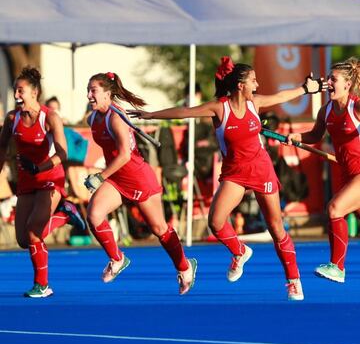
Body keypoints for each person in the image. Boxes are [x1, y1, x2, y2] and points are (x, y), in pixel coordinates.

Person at [128, 56, 327, 301]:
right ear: (240, 85)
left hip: (261, 169)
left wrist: (307, 89)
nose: (257, 84)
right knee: (216, 221)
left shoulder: (257, 103)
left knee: (276, 228)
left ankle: (294, 281)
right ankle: (239, 251)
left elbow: (282, 96)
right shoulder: (219, 107)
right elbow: (185, 112)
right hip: (235, 173)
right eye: (253, 80)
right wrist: (150, 116)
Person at [84, 71, 197, 295]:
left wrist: (100, 176)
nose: (88, 95)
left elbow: (125, 155)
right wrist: (106, 176)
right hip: (117, 178)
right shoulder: (93, 118)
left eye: (93, 91)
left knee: (159, 229)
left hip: (138, 177)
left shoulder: (116, 117)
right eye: (88, 91)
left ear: (107, 93)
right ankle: (117, 259)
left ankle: (185, 267)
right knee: (94, 215)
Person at [0, 66, 85, 298]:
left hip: (50, 177)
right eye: (16, 91)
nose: (17, 95)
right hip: (27, 180)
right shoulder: (12, 118)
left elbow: (63, 154)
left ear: (34, 93)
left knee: (33, 233)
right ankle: (66, 213)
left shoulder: (50, 117)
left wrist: (40, 167)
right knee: (22, 241)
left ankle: (42, 285)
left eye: (21, 91)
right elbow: (1, 147)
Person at [287, 57, 360, 283]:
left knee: (335, 209)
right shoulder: (325, 111)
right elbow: (315, 136)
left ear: (347, 84)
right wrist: (298, 137)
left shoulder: (355, 106)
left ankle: (337, 268)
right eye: (328, 78)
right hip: (348, 174)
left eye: (333, 79)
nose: (328, 82)